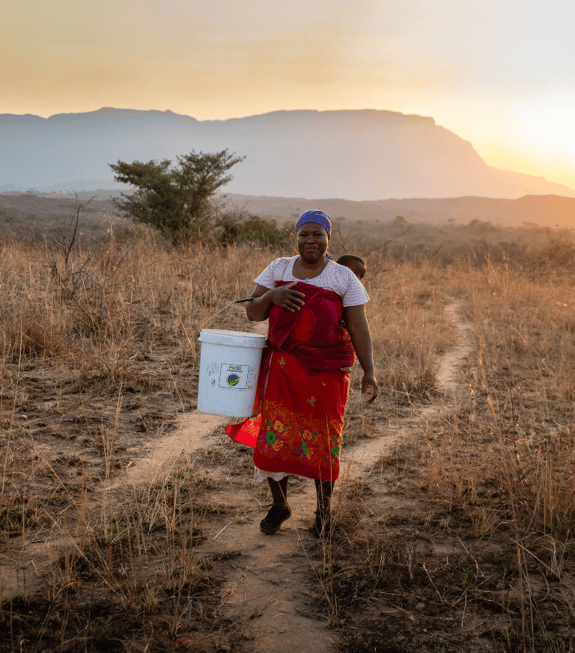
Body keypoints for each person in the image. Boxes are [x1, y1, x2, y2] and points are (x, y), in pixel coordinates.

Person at [226, 209, 378, 538]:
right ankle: (280, 505)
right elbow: (253, 312)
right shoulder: (278, 267)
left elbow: (358, 326)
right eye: (303, 235)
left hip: (327, 373)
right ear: (295, 238)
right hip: (282, 370)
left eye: (317, 235)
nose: (310, 241)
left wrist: (369, 371)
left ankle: (323, 512)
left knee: (324, 440)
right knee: (274, 440)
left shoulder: (343, 277)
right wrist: (271, 296)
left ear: (328, 239)